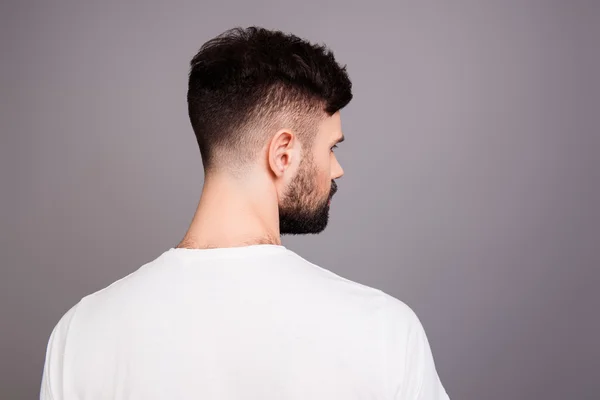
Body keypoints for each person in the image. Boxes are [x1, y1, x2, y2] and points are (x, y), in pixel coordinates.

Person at [40, 26, 450, 400]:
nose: (337, 168)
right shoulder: (383, 331)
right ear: (283, 153)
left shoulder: (80, 334)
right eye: (332, 148)